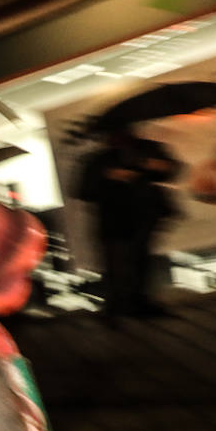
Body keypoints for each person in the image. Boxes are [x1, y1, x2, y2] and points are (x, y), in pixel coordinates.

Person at [76, 132, 182, 316]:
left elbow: (171, 170)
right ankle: (120, 305)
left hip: (141, 217)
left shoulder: (147, 150)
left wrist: (157, 166)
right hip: (114, 219)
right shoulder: (99, 161)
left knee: (139, 260)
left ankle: (136, 303)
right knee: (117, 263)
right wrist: (108, 177)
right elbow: (85, 191)